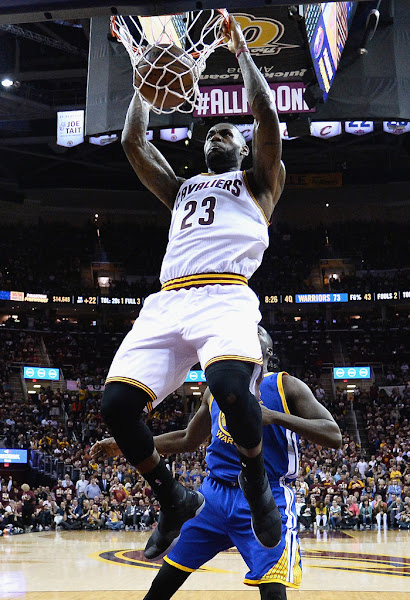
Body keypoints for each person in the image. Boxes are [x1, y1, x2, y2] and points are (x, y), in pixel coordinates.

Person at [100, 16, 286, 559]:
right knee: (115, 404)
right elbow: (133, 142)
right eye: (210, 133)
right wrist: (143, 83)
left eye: (226, 132)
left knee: (229, 386)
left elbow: (266, 112)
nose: (216, 136)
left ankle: (255, 479)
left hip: (226, 294)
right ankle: (173, 498)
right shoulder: (183, 189)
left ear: (243, 144)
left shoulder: (259, 181)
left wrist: (239, 52)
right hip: (168, 299)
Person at [92, 327, 341, 599]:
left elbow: (333, 434)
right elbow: (187, 438)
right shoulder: (214, 391)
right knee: (164, 582)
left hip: (266, 494)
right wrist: (121, 444)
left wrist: (276, 417)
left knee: (272, 589)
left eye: (254, 334)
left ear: (267, 351)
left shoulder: (286, 385)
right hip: (213, 494)